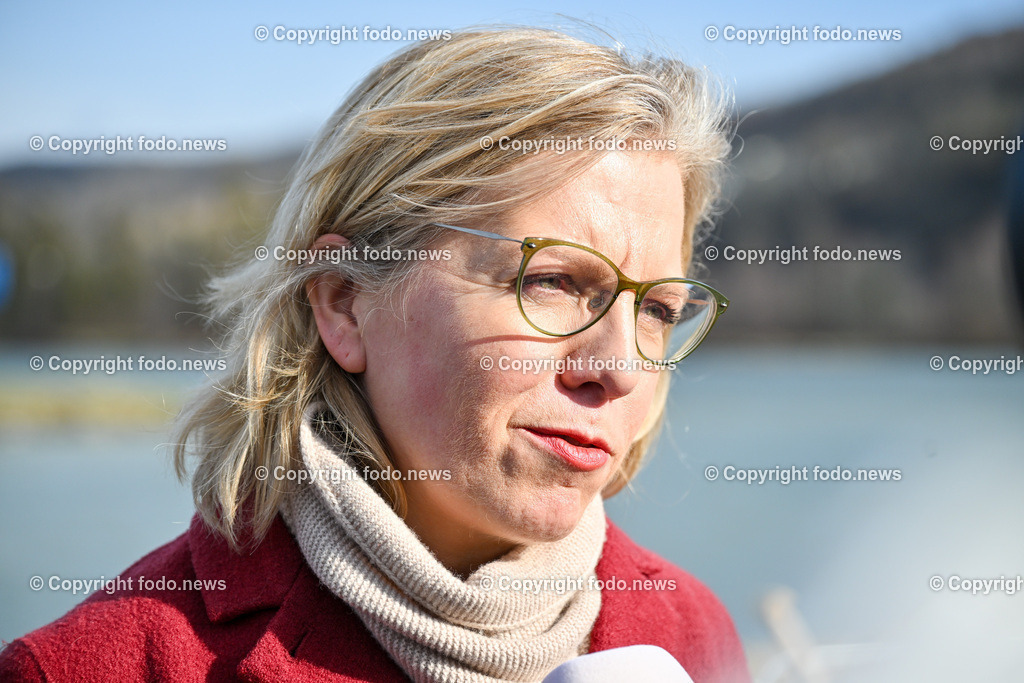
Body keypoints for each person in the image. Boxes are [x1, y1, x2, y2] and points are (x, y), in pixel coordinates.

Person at [0, 26, 749, 682]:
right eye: (551, 281)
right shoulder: (99, 665)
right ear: (343, 302)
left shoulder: (689, 631)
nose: (618, 367)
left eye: (655, 309)